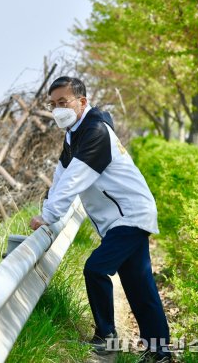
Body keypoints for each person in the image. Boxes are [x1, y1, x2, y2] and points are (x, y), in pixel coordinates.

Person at [30, 77, 171, 362]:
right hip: (123, 217)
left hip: (129, 216)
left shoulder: (94, 131)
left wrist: (48, 215)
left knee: (96, 269)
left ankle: (106, 336)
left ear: (82, 102)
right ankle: (160, 351)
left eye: (63, 102)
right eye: (53, 104)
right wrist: (48, 210)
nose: (57, 109)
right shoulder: (74, 134)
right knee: (139, 285)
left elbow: (73, 179)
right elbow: (60, 177)